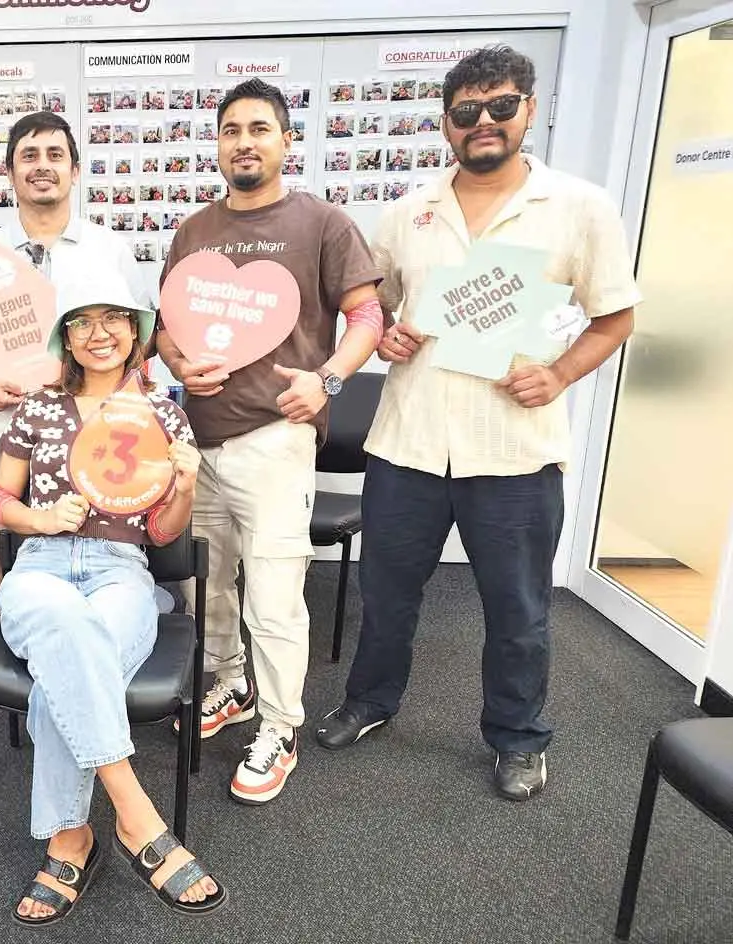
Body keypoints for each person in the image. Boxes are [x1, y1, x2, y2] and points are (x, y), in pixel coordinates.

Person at [314, 46, 639, 801]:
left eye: (499, 107)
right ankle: (369, 702)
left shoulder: (578, 207)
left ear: (529, 110)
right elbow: (374, 303)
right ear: (444, 125)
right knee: (386, 593)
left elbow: (614, 314)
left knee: (517, 611)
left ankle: (518, 737)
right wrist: (386, 331)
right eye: (466, 113)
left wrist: (558, 373)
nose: (482, 123)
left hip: (513, 453)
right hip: (408, 445)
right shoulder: (407, 210)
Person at [154, 78, 383, 805]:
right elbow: (163, 326)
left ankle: (280, 727)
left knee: (275, 595)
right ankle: (229, 685)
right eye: (230, 130)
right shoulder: (192, 231)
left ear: (287, 140)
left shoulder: (322, 223)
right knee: (204, 581)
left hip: (276, 438)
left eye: (258, 128)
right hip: (199, 441)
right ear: (217, 144)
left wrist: (330, 381)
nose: (243, 142)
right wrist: (174, 360)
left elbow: (367, 316)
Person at [0, 272, 224, 924]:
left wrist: (183, 487)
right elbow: (1, 503)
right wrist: (42, 519)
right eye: (82, 321)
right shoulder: (38, 408)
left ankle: (70, 839)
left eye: (113, 319)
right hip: (40, 566)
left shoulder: (163, 414)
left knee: (58, 676)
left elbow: (162, 533)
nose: (98, 334)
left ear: (135, 333)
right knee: (63, 621)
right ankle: (136, 816)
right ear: (64, 336)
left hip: (121, 568)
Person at [0, 110, 152, 655]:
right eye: (29, 156)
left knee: (94, 553)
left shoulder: (110, 249)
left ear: (75, 170)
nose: (42, 167)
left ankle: (81, 657)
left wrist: (108, 394)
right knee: (2, 550)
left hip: (99, 442)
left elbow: (143, 338)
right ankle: (5, 660)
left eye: (55, 155)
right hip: (5, 432)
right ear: (10, 172)